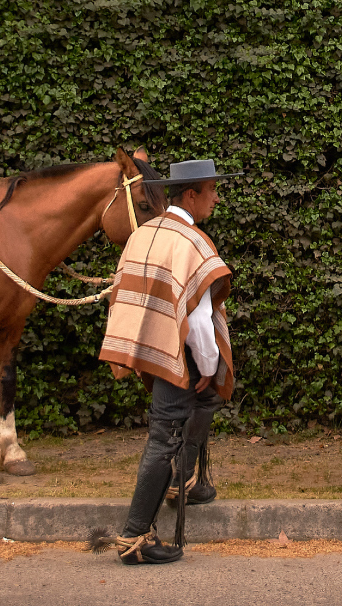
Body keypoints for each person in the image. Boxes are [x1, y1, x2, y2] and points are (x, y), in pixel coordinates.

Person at [95, 158, 241, 565]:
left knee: (192, 414)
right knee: (165, 437)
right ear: (191, 194)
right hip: (181, 354)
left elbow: (125, 291)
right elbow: (198, 318)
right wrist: (210, 366)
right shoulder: (192, 242)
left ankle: (185, 480)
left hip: (150, 345)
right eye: (212, 190)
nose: (216, 197)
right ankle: (136, 536)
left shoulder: (145, 233)